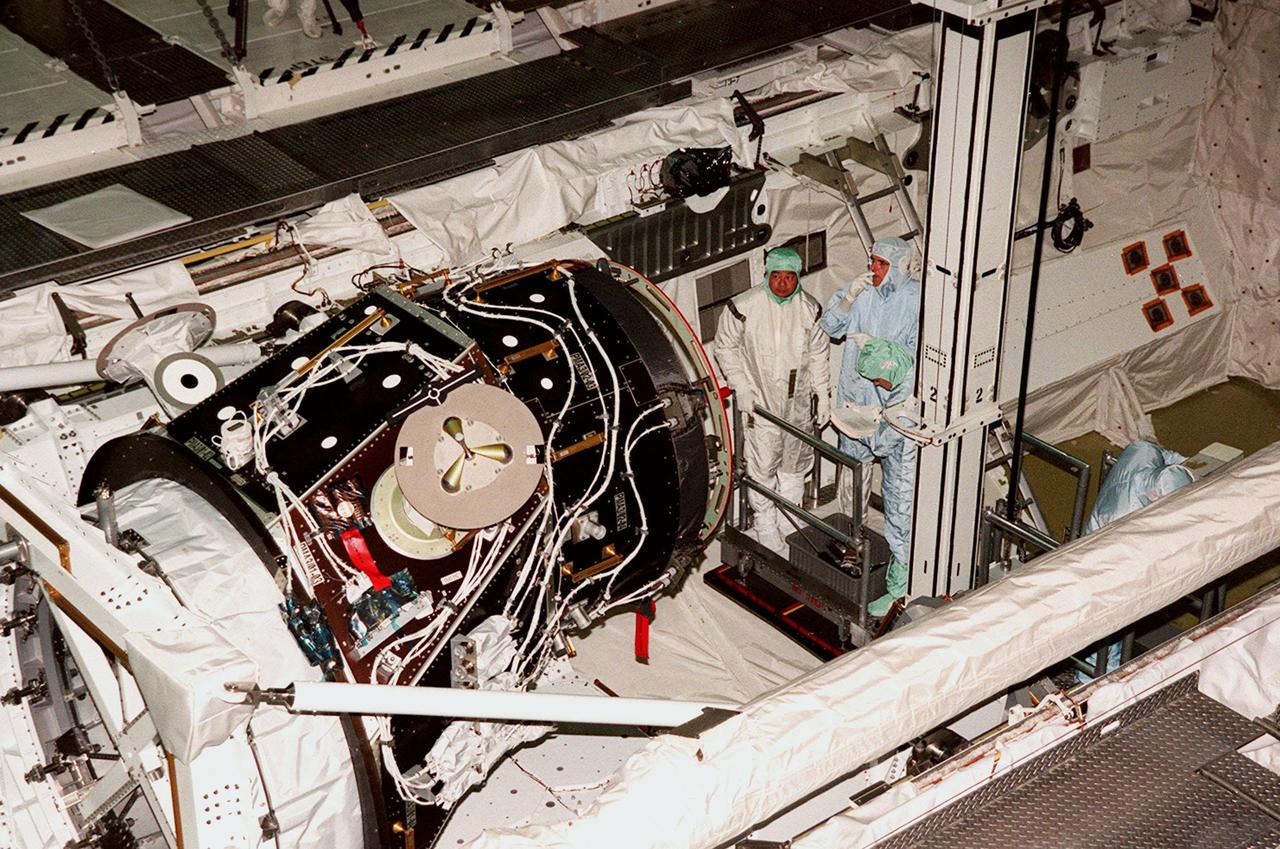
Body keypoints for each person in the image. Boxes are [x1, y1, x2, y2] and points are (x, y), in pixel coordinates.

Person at [821, 237, 921, 617]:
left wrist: (884, 362)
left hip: (894, 410)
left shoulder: (914, 299)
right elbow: (831, 326)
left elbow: (917, 353)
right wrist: (848, 297)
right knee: (853, 479)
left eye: (880, 263)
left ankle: (903, 578)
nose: (874, 268)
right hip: (855, 404)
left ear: (897, 266)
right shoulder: (862, 292)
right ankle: (852, 540)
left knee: (900, 494)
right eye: (872, 261)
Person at [715, 246, 831, 553]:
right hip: (762, 403)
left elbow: (819, 355)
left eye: (789, 276)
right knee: (763, 465)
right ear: (767, 274)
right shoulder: (744, 307)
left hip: (798, 405)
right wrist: (741, 387)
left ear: (798, 277)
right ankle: (765, 523)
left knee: (795, 463)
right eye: (776, 276)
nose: (782, 283)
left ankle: (789, 518)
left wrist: (823, 394)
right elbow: (725, 349)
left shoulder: (809, 309)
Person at [1076, 439, 1194, 680]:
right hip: (1104, 558)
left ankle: (1097, 676)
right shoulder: (1126, 513)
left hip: (1099, 545)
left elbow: (1166, 456)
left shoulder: (1143, 453)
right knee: (1109, 629)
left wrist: (1186, 469)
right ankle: (1093, 683)